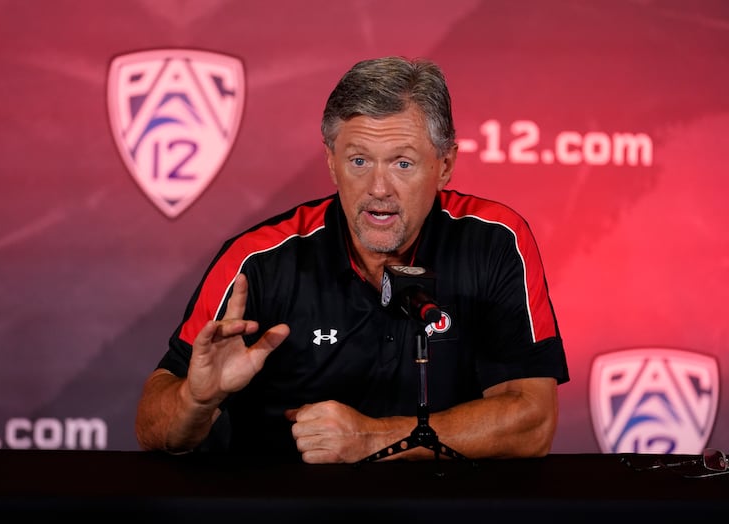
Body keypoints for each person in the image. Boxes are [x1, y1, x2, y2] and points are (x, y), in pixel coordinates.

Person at [135, 55, 569, 463]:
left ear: (445, 164)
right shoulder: (259, 260)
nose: (378, 188)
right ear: (331, 162)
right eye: (359, 160)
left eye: (402, 163)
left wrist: (372, 439)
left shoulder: (494, 240)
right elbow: (151, 425)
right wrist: (196, 400)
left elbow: (532, 422)